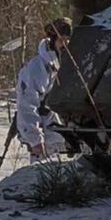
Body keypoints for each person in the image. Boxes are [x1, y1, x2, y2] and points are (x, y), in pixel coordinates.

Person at [9, 17, 73, 159]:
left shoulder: (68, 65)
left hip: (64, 139)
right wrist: (35, 139)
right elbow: (27, 105)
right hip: (45, 141)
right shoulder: (36, 69)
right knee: (41, 176)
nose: (66, 44)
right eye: (62, 39)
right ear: (52, 40)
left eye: (69, 40)